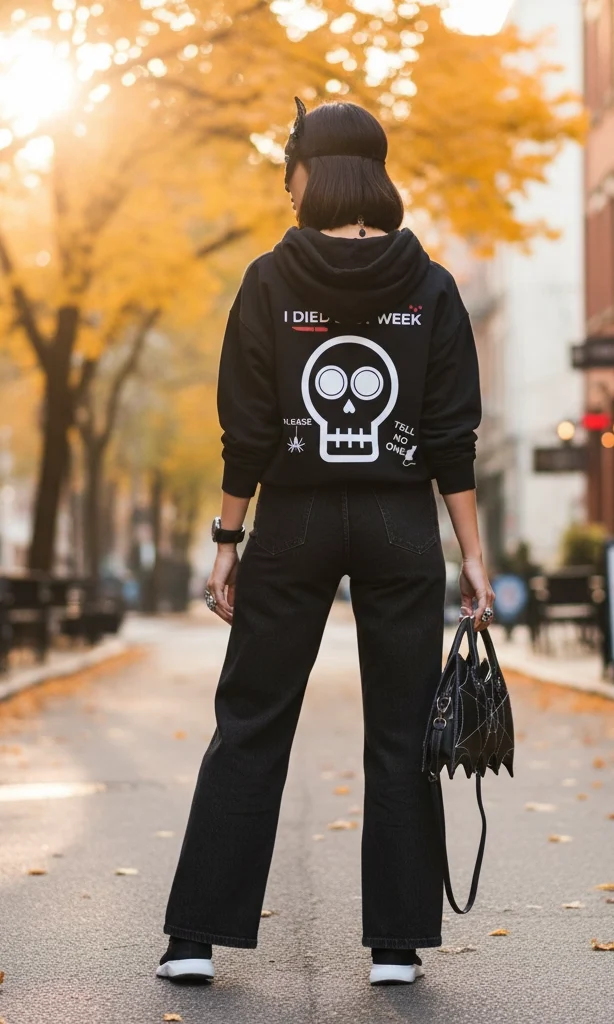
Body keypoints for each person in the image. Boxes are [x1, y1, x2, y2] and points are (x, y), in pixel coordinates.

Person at [157, 98, 495, 988]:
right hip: (399, 525)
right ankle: (396, 947)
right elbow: (453, 433)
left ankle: (194, 937)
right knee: (401, 731)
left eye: (290, 170)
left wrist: (228, 537)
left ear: (313, 172)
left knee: (252, 724)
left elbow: (249, 428)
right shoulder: (432, 285)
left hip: (295, 519)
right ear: (374, 176)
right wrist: (474, 556)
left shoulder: (270, 279)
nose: (286, 186)